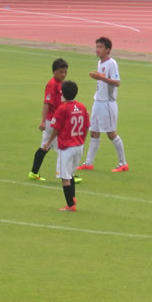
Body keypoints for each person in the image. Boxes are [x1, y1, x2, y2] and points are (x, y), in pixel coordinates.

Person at [77, 36, 128, 172]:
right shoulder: (100, 63)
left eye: (100, 47)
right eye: (97, 47)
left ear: (108, 50)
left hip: (107, 103)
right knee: (94, 132)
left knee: (111, 133)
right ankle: (88, 163)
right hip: (98, 101)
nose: (97, 49)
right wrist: (99, 77)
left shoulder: (112, 63)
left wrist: (100, 77)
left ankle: (123, 163)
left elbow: (117, 82)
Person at [43, 80, 89, 211]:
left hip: (66, 147)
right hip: (79, 145)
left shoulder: (62, 109)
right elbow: (87, 126)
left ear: (62, 93)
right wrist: (82, 140)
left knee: (65, 177)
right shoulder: (82, 107)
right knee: (71, 174)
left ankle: (70, 205)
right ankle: (72, 198)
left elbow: (56, 128)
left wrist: (48, 142)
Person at [29, 58, 67, 181]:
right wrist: (43, 121)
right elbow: (46, 103)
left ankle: (34, 172)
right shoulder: (52, 84)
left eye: (65, 72)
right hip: (53, 121)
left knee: (45, 146)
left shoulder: (61, 83)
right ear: (54, 71)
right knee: (63, 147)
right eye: (61, 72)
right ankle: (67, 175)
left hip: (57, 120)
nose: (63, 74)